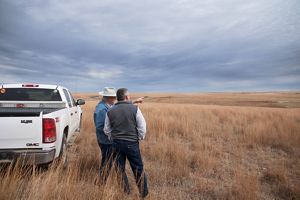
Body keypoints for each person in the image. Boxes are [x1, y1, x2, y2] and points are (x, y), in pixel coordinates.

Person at [104, 88, 149, 198]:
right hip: (132, 144)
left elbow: (106, 129)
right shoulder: (135, 109)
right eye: (129, 95)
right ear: (126, 97)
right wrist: (137, 138)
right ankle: (143, 193)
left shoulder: (110, 110)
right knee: (138, 168)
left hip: (116, 144)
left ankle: (125, 191)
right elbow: (142, 128)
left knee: (119, 169)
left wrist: (113, 138)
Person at [94, 87, 116, 180]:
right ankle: (101, 182)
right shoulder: (101, 109)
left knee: (108, 160)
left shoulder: (107, 105)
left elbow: (118, 106)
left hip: (107, 139)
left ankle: (102, 180)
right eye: (113, 97)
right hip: (105, 140)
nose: (115, 99)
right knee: (107, 161)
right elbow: (100, 126)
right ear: (108, 98)